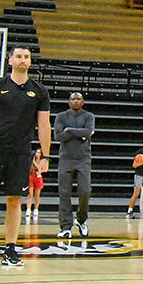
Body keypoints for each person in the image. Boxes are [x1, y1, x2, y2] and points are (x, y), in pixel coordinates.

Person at [0, 46, 53, 269]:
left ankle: (11, 249)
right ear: (10, 60)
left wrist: (46, 155)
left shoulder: (39, 91)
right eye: (19, 56)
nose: (23, 60)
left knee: (15, 200)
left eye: (27, 57)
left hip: (21, 150)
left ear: (30, 62)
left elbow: (44, 124)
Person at [52, 92, 96, 239]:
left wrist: (69, 130)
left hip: (84, 159)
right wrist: (79, 133)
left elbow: (88, 131)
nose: (76, 101)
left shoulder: (89, 116)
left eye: (78, 99)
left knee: (85, 191)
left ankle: (81, 220)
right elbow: (58, 136)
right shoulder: (60, 116)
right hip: (66, 158)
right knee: (64, 193)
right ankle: (65, 227)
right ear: (68, 102)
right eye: (73, 99)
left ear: (83, 102)